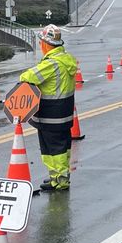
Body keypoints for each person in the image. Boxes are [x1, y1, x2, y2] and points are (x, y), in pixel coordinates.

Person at [20, 23, 78, 192]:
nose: (40, 46)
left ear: (46, 44)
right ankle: (58, 177)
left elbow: (28, 76)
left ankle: (60, 181)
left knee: (53, 149)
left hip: (50, 114)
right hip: (64, 112)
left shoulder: (52, 64)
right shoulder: (66, 59)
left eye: (41, 43)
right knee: (62, 146)